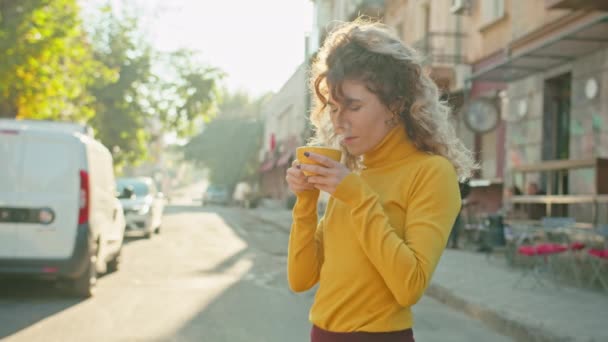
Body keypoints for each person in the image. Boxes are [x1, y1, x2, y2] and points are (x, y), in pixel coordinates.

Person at [285, 19, 476, 341]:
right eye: (332, 108)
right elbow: (300, 280)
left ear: (395, 105)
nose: (340, 120)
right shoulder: (354, 175)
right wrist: (305, 203)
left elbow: (409, 288)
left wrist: (359, 198)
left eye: (354, 106)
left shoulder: (431, 173)